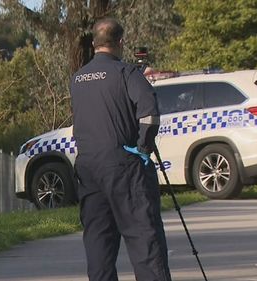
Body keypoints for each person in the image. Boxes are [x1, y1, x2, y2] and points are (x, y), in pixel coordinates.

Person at [70, 18, 172, 281]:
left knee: (98, 244)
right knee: (144, 240)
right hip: (124, 166)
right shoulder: (127, 73)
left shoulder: (77, 80)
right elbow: (149, 116)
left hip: (88, 168)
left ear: (94, 43)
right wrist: (143, 148)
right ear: (121, 42)